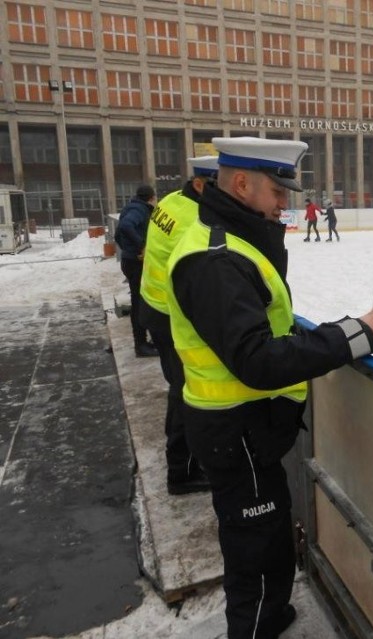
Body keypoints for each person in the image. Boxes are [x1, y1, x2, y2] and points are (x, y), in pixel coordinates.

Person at [165, 136, 373, 638]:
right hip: (234, 427)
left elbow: (268, 329)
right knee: (253, 540)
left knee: (267, 525)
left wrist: (333, 333)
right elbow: (257, 360)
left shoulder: (231, 241)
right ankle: (254, 626)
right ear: (241, 184)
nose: (286, 205)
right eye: (277, 193)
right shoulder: (215, 259)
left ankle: (272, 611)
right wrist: (349, 338)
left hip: (247, 428)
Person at [139, 156, 218, 495]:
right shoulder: (195, 221)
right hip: (170, 316)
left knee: (178, 385)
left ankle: (184, 464)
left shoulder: (171, 200)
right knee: (185, 392)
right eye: (218, 186)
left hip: (154, 307)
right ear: (200, 185)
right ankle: (182, 471)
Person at [115, 183, 158, 356]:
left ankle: (144, 342)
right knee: (140, 304)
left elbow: (118, 234)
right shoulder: (139, 210)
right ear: (151, 198)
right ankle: (140, 345)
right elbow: (126, 226)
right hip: (136, 263)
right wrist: (141, 247)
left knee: (140, 302)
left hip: (130, 260)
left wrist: (127, 250)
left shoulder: (131, 207)